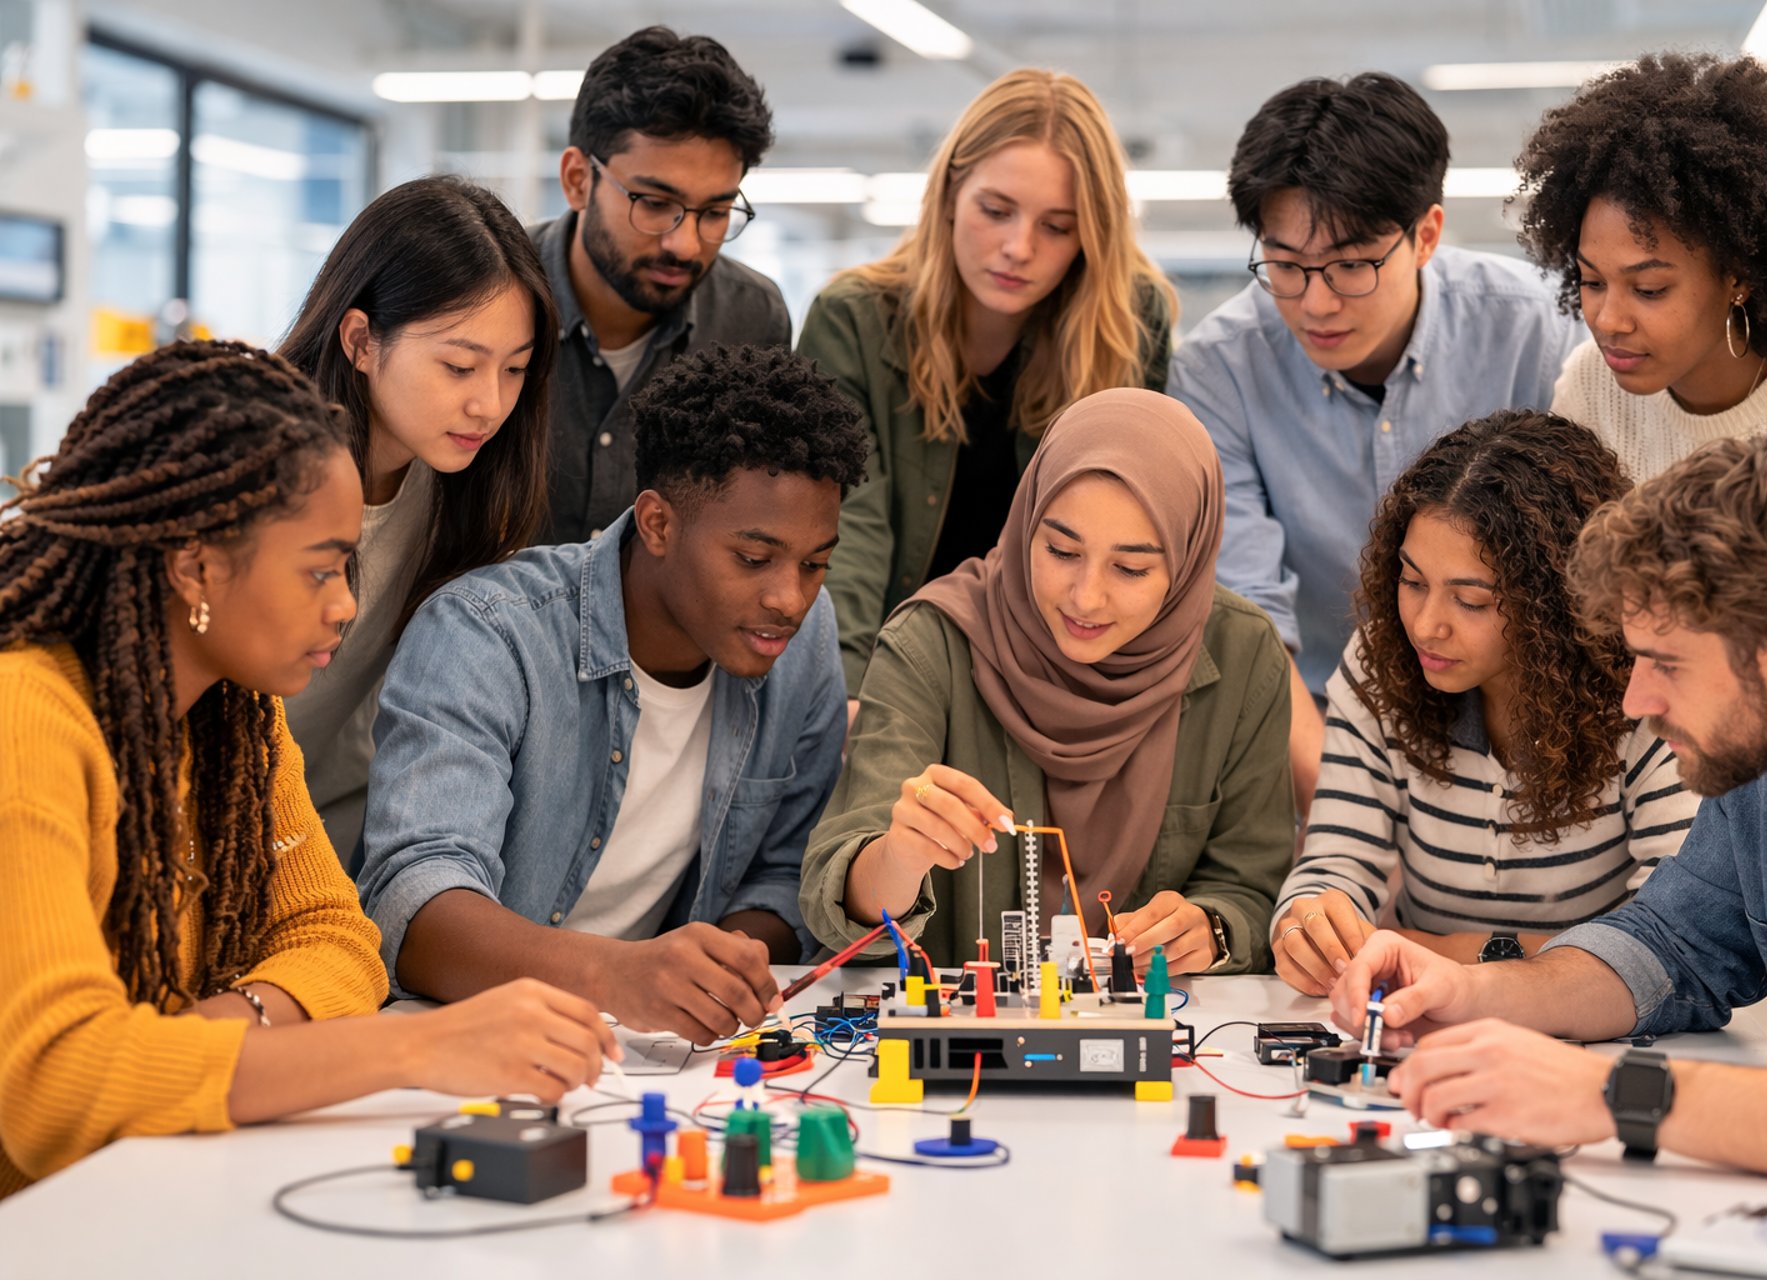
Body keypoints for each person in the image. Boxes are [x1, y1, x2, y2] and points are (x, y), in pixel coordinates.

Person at [0, 343, 617, 1200]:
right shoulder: (24, 717)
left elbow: (341, 940)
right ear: (195, 565)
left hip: (145, 1186)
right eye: (321, 568)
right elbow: (56, 1083)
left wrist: (221, 1031)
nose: (346, 605)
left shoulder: (233, 717)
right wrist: (419, 1048)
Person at [1331, 435, 1767, 1207]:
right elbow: (1671, 943)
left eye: (1667, 665)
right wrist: (1473, 992)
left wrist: (1615, 1092)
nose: (1636, 701)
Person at [358, 345, 867, 1046]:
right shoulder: (487, 634)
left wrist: (718, 966)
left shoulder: (801, 644)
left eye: (816, 564)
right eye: (753, 559)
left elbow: (785, 872)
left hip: (661, 1056)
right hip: (468, 1043)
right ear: (656, 523)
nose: (789, 598)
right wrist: (618, 976)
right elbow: (412, 905)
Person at [1172, 72, 1582, 817]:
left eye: (1353, 264)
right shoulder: (1218, 371)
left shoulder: (1537, 334)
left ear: (1425, 234)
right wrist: (1345, 823)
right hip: (1317, 732)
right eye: (1286, 266)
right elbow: (1252, 629)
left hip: (1526, 731)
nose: (1316, 302)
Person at [803, 388, 1292, 977]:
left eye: (1131, 568)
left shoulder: (1244, 654)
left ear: (1188, 561)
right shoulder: (931, 643)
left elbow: (1252, 889)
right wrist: (899, 857)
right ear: (1024, 524)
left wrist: (1210, 928)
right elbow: (834, 907)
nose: (1086, 597)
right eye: (1061, 550)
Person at [1270, 411, 1696, 994]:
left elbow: (1676, 931)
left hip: (1598, 1021)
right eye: (1412, 581)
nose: (1425, 625)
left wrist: (1462, 955)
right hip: (1419, 1011)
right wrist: (1310, 925)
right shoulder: (1381, 664)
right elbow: (1335, 861)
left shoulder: (1644, 692)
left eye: (1470, 600)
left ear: (1557, 602)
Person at [800, 68, 1176, 711]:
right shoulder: (853, 318)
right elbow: (845, 525)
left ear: (1092, 233)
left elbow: (1138, 538)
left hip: (1051, 677)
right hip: (891, 665)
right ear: (950, 192)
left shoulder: (1128, 324)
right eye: (996, 211)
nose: (1018, 248)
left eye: (1057, 226)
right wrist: (848, 696)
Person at [1523, 52, 1767, 596]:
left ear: (1739, 275)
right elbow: (1567, 599)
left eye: (1649, 289)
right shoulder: (1592, 388)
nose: (1608, 320)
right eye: (1592, 281)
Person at [278, 175, 556, 867]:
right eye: (459, 367)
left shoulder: (465, 488)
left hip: (323, 848)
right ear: (362, 340)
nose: (489, 406)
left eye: (515, 370)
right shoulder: (256, 469)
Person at [535, 26, 791, 545]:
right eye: (654, 204)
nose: (687, 245)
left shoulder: (751, 321)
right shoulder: (487, 290)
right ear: (578, 179)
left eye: (716, 212)